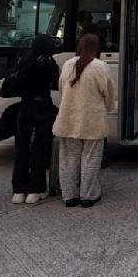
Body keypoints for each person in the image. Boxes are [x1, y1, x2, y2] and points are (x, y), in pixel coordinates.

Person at [52, 34, 115, 208]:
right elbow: (109, 95)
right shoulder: (100, 66)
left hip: (68, 120)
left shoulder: (67, 64)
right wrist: (106, 108)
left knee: (68, 159)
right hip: (92, 121)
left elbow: (62, 89)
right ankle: (88, 195)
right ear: (97, 48)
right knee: (90, 159)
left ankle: (69, 195)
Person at [11, 34, 60, 205]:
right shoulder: (48, 62)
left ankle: (18, 190)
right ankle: (35, 189)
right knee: (40, 148)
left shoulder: (24, 60)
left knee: (21, 148)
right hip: (43, 105)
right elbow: (56, 83)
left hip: (25, 106)